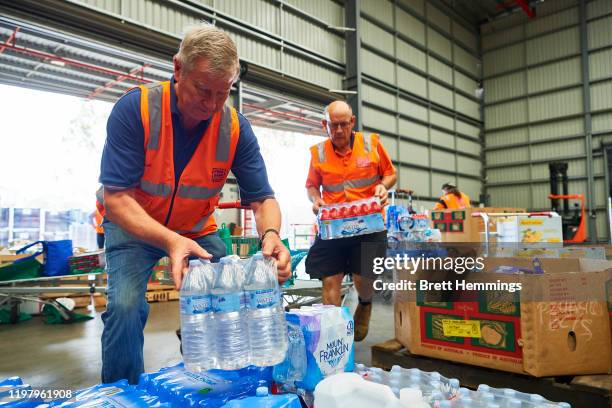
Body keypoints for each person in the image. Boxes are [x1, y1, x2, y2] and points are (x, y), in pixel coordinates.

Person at [99, 24, 291, 384]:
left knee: (239, 289)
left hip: (197, 230)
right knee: (125, 307)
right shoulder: (135, 110)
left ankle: (224, 382)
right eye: (204, 90)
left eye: (224, 93)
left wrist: (271, 233)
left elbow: (263, 197)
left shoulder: (234, 127)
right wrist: (170, 241)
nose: (213, 104)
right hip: (134, 226)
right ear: (177, 69)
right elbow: (116, 199)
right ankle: (121, 394)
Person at [305, 100, 397, 342]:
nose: (338, 131)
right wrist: (315, 200)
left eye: (343, 125)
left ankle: (365, 303)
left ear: (352, 122)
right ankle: (334, 340)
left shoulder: (371, 144)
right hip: (333, 226)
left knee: (363, 276)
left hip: (369, 225)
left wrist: (382, 186)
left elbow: (390, 173)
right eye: (333, 125)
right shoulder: (319, 153)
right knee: (330, 279)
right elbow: (312, 185)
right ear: (324, 124)